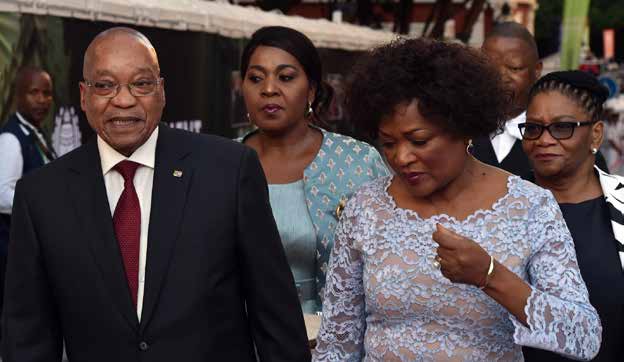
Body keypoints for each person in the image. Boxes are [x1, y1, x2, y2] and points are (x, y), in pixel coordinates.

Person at [2, 27, 310, 361]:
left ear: (161, 91)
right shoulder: (42, 196)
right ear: (83, 95)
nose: (123, 99)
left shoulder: (228, 171)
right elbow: (27, 339)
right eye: (105, 85)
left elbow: (276, 318)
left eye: (141, 83)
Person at [313, 38, 601, 361]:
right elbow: (336, 346)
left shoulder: (530, 207)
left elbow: (583, 337)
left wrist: (490, 275)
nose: (402, 157)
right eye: (388, 143)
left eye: (419, 140)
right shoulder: (365, 209)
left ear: (464, 126)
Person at [237, 26, 389, 312]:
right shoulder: (219, 162)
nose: (268, 89)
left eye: (285, 77)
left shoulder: (357, 161)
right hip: (237, 334)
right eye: (255, 78)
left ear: (312, 90)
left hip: (334, 335)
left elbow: (391, 257)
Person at [520, 71, 624, 361]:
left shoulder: (620, 204)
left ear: (596, 134)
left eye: (562, 127)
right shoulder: (500, 206)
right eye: (533, 128)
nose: (544, 140)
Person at [475, 22, 609, 178]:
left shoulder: (570, 143)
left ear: (537, 70)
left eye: (514, 68)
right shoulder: (458, 133)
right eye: (490, 68)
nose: (501, 78)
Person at [0, 66, 55, 338]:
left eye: (47, 93)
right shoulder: (12, 138)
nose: (42, 100)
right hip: (12, 251)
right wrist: (41, 207)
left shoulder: (37, 133)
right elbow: (2, 196)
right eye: (34, 93)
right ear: (19, 96)